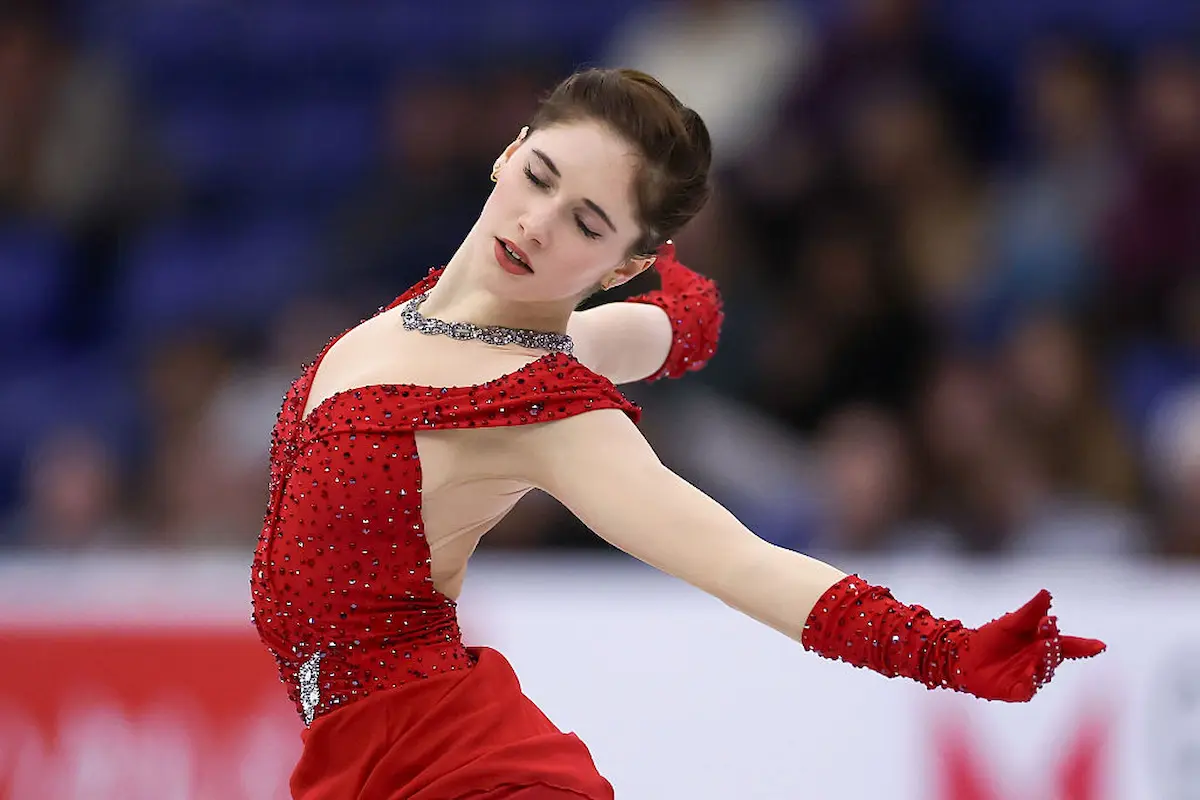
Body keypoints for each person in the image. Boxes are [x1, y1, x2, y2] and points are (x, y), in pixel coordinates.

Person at [250, 68, 1105, 799]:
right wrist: (688, 298)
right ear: (509, 152)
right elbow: (685, 322)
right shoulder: (436, 325)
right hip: (365, 769)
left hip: (462, 773)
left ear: (622, 265)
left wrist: (948, 654)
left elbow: (742, 562)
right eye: (540, 176)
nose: (540, 224)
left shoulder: (546, 405)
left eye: (587, 223)